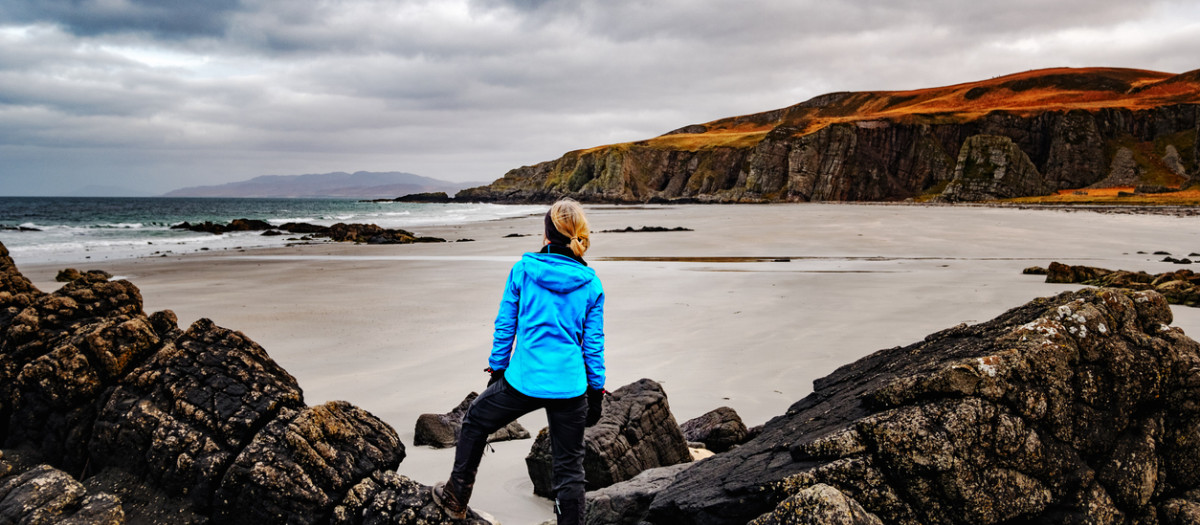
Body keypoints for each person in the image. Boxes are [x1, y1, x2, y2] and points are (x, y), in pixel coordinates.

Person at [433, 198, 606, 525]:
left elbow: (505, 326)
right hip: (571, 386)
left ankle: (456, 496)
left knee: (475, 420)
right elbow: (593, 345)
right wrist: (595, 391)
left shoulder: (523, 271)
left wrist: (497, 370)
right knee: (569, 470)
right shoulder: (591, 283)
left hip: (524, 380)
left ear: (546, 233)